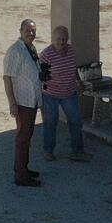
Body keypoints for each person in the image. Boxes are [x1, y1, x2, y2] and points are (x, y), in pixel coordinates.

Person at [1, 18, 44, 187]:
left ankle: (23, 169)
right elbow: (7, 77)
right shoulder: (15, 51)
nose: (31, 33)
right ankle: (20, 175)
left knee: (27, 137)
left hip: (31, 101)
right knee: (23, 138)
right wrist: (12, 102)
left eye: (33, 30)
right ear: (20, 31)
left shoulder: (30, 48)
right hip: (22, 102)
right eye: (27, 30)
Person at [39, 23, 89, 162]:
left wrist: (79, 82)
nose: (61, 42)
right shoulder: (46, 55)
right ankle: (48, 151)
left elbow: (73, 69)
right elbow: (40, 76)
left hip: (69, 93)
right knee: (50, 124)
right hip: (50, 96)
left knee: (76, 122)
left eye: (64, 39)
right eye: (58, 39)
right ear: (52, 39)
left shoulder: (71, 50)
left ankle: (77, 151)